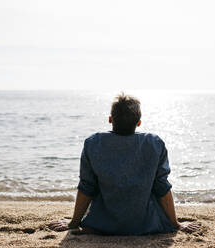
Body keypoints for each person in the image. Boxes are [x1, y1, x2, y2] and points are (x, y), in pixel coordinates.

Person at [49, 93, 199, 235]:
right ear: (138, 123)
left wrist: (73, 223)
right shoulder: (155, 143)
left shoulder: (93, 143)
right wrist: (176, 224)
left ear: (110, 119)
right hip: (147, 225)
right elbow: (162, 187)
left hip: (102, 224)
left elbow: (86, 187)